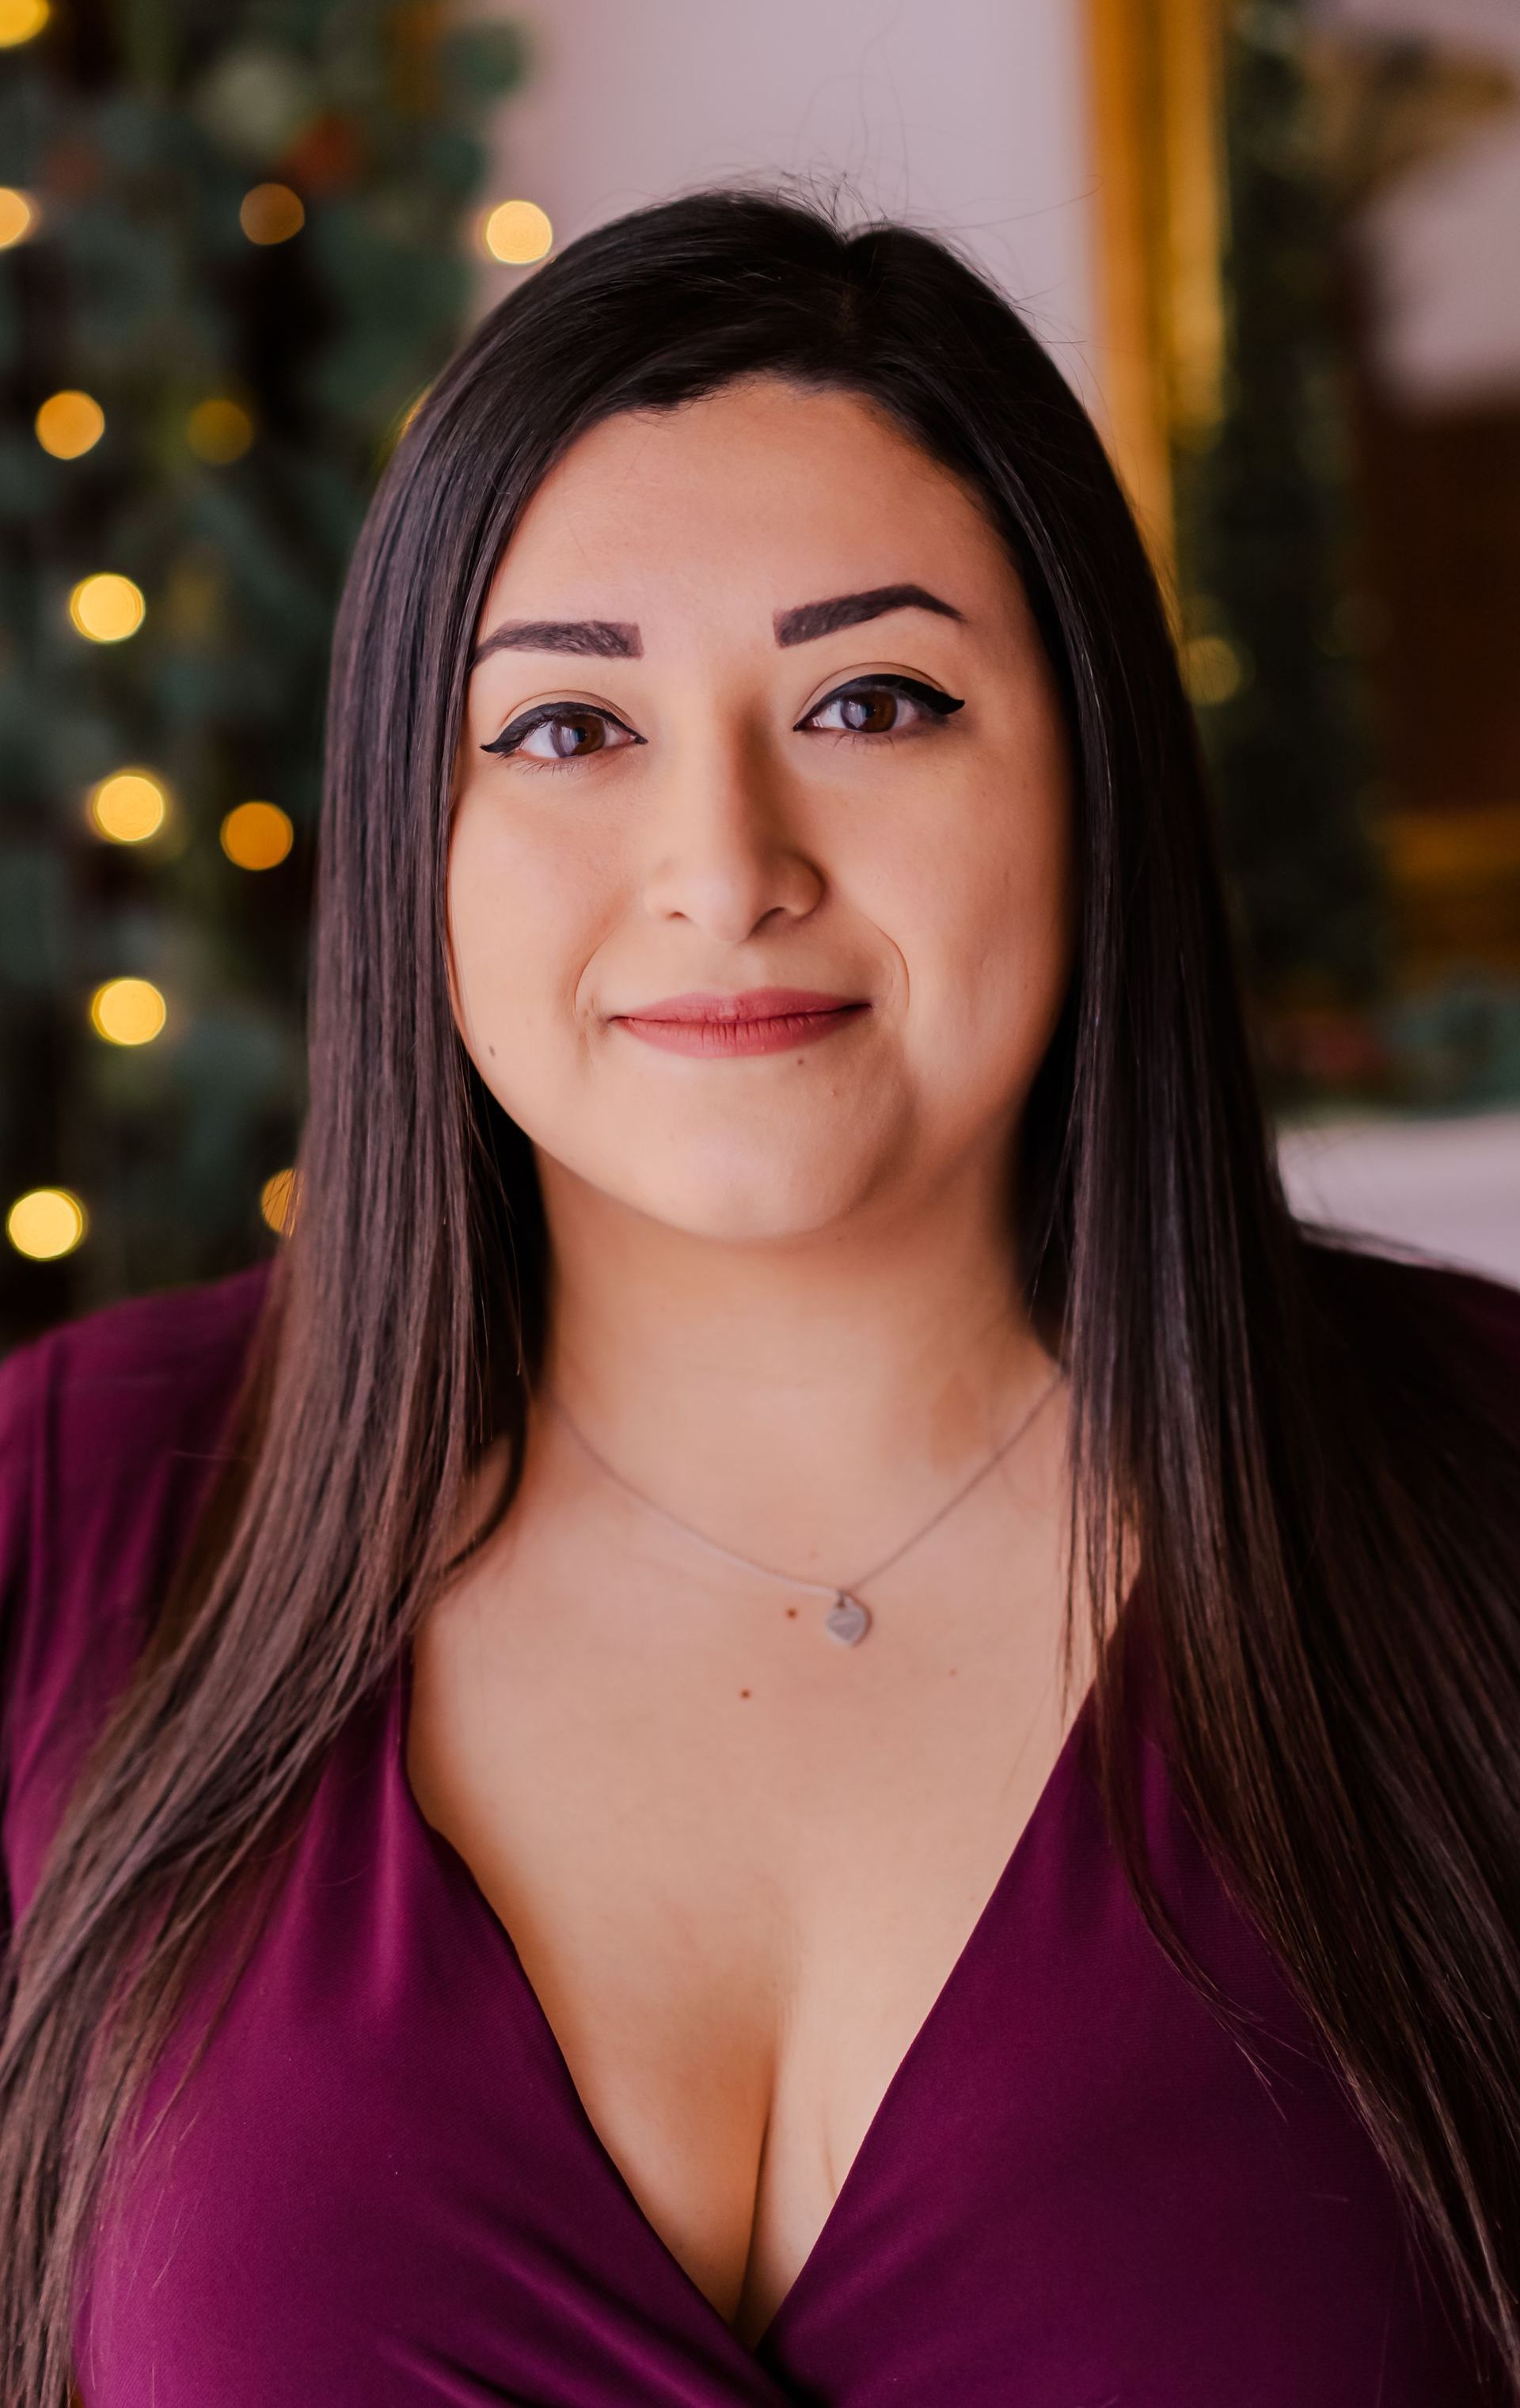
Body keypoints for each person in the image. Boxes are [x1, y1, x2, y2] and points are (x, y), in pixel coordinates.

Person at [2, 188, 1518, 2408]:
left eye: (874, 699)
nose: (726, 863)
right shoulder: (67, 1519)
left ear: (1095, 780)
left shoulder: (1483, 1503)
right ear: (409, 835)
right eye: (562, 731)